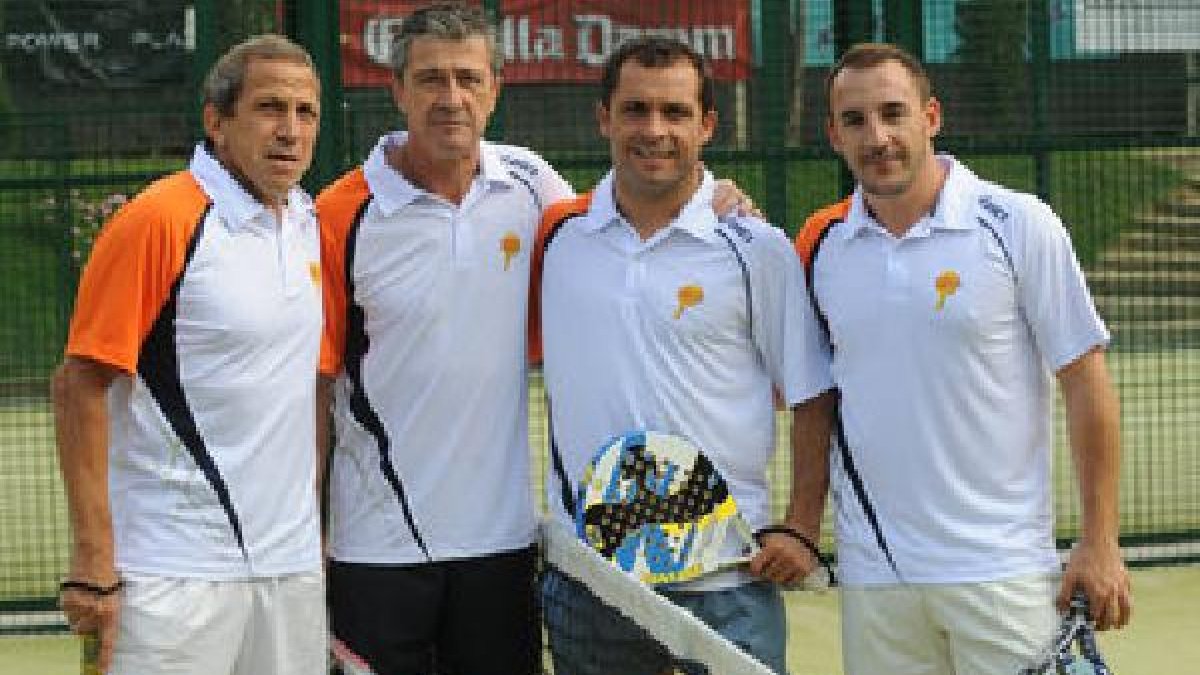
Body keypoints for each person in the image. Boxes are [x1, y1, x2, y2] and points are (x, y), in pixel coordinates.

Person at [316, 5, 754, 674]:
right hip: (375, 549)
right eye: (431, 78)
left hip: (504, 546)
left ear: (496, 88)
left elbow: (626, 220)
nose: (451, 97)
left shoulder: (533, 185)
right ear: (397, 89)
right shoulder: (338, 214)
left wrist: (711, 198)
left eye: (469, 78)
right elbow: (316, 386)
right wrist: (309, 527)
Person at [792, 42, 1132, 675]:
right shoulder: (822, 247)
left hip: (1003, 572)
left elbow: (1086, 384)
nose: (877, 137)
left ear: (932, 117)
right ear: (834, 135)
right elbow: (812, 401)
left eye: (893, 113)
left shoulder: (1019, 223)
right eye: (855, 121)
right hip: (876, 580)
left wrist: (1100, 542)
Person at [531, 36, 833, 675]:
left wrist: (802, 527)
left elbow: (812, 394)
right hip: (592, 581)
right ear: (604, 118)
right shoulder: (555, 236)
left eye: (675, 113)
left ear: (707, 125)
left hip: (729, 580)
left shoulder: (757, 248)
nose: (654, 131)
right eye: (635, 110)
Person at [52, 35, 327, 675]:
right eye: (269, 108)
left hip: (288, 572)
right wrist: (93, 559)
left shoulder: (308, 223)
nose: (290, 131)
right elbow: (79, 384)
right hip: (171, 576)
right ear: (217, 121)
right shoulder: (159, 218)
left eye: (305, 112)